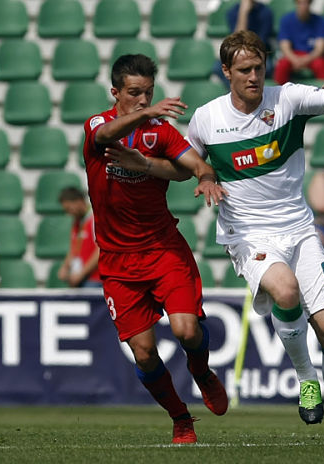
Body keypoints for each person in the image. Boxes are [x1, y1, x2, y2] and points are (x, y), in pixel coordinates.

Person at [186, 30, 324, 443]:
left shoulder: (288, 99)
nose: (254, 77)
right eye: (244, 70)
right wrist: (206, 173)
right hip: (248, 233)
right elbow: (187, 159)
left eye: (259, 68)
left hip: (299, 229)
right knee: (284, 291)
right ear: (226, 71)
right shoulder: (207, 118)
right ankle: (306, 378)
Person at [82, 53, 229, 444]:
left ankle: (201, 370)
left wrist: (207, 177)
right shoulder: (99, 125)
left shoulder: (159, 132)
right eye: (134, 93)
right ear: (115, 92)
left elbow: (195, 164)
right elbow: (103, 136)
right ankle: (181, 418)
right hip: (117, 262)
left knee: (186, 329)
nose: (143, 101)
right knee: (144, 354)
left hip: (163, 249)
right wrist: (144, 123)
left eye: (148, 93)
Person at [213, 0, 275, 84]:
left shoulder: (266, 12)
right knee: (218, 67)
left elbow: (260, 43)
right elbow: (236, 41)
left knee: (262, 67)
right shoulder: (233, 12)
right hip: (239, 52)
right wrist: (243, 13)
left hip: (259, 53)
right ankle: (239, 92)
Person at [274, 0, 324, 85]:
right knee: (282, 65)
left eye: (306, 2)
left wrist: (305, 59)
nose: (303, 5)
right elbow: (284, 46)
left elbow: (319, 49)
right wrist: (294, 59)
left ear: (310, 3)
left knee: (321, 65)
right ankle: (278, 93)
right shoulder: (286, 20)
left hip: (311, 56)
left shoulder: (320, 21)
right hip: (293, 55)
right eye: (300, 2)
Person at [57, 187, 101, 288]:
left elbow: (99, 250)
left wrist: (81, 274)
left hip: (94, 279)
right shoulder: (77, 222)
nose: (68, 213)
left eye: (69, 209)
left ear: (79, 202)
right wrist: (65, 267)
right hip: (80, 279)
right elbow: (73, 249)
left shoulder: (95, 219)